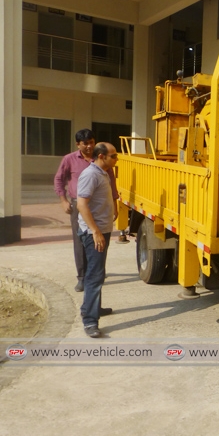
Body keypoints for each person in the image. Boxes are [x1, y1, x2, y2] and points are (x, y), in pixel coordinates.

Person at [54, 129, 118, 292]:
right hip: (80, 205)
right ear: (78, 144)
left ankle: (97, 274)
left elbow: (111, 184)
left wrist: (115, 206)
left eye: (91, 142)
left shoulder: (101, 158)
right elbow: (59, 179)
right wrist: (63, 200)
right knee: (82, 241)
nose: (89, 146)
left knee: (101, 242)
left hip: (101, 206)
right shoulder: (70, 159)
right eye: (85, 143)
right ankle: (82, 277)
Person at [77, 142, 119, 338]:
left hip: (102, 230)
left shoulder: (103, 173)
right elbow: (82, 205)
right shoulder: (91, 174)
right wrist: (95, 231)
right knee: (94, 275)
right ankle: (90, 321)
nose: (116, 159)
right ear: (101, 156)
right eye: (113, 156)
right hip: (95, 232)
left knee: (98, 273)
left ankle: (93, 307)